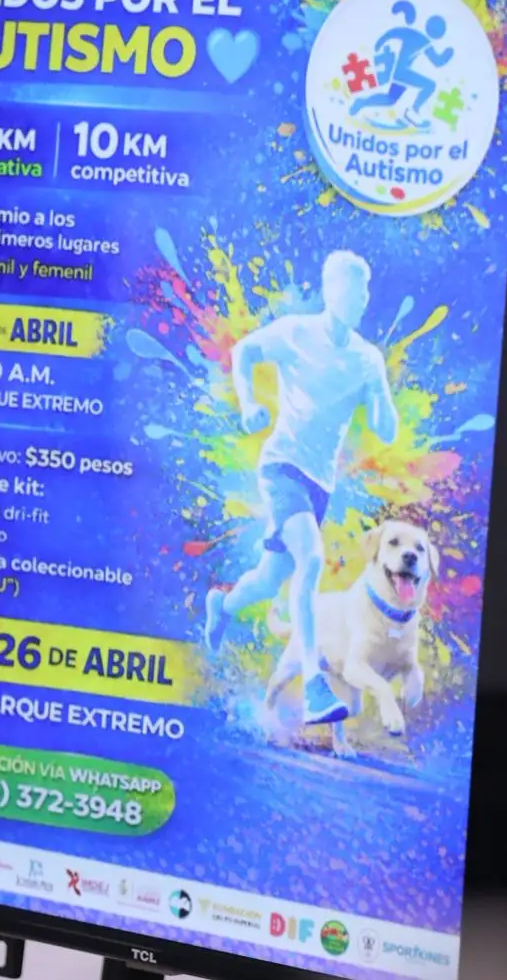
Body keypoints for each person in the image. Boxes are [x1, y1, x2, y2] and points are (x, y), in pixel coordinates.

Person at [204, 250, 399, 725]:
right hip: (282, 467)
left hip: (319, 484)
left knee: (269, 578)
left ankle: (222, 605)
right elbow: (245, 352)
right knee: (310, 561)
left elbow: (386, 425)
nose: (363, 299)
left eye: (366, 291)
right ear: (332, 290)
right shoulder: (296, 331)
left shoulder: (367, 358)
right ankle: (314, 684)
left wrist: (380, 404)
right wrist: (249, 403)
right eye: (355, 289)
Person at [348, 0, 454, 128]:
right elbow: (437, 61)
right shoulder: (422, 40)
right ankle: (413, 112)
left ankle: (363, 102)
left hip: (400, 73)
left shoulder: (415, 36)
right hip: (404, 73)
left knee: (390, 99)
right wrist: (447, 54)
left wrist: (380, 42)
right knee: (429, 85)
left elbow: (394, 32)